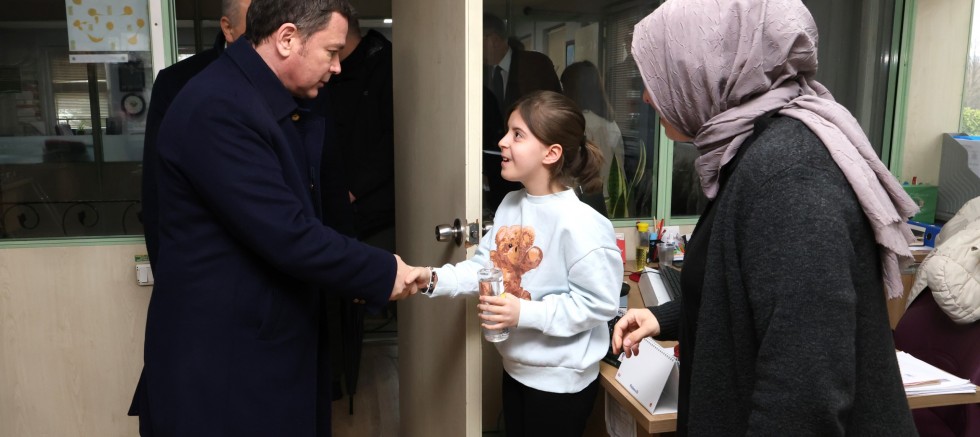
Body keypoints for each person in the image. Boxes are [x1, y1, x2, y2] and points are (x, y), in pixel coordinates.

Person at [612, 1, 919, 435]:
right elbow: (754, 299)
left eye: (657, 77)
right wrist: (668, 318)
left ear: (705, 71)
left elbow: (803, 392)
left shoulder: (789, 172)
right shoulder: (754, 152)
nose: (647, 96)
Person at [129, 1, 421, 435]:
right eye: (331, 51)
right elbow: (288, 233)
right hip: (226, 358)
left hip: (264, 339)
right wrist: (383, 271)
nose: (338, 67)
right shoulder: (219, 106)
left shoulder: (266, 97)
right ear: (287, 39)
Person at [416, 90, 624, 436]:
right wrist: (430, 278)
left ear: (551, 153)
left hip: (561, 385)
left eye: (517, 135)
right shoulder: (512, 204)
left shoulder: (582, 223)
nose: (502, 142)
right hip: (516, 370)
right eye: (507, 132)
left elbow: (599, 304)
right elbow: (485, 267)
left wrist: (522, 314)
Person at [140, 0, 251, 269]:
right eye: (256, 26)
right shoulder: (178, 81)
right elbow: (156, 187)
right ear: (228, 28)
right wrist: (164, 270)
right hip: (205, 264)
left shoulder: (302, 80)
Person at [323, 16, 394, 251]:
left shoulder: (385, 66)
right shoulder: (329, 75)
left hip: (377, 214)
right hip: (335, 210)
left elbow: (394, 140)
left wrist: (353, 189)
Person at [482, 13, 562, 213]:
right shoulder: (479, 71)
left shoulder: (535, 65)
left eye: (478, 41)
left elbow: (554, 112)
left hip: (535, 164)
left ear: (493, 40)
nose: (475, 49)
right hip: (498, 168)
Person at [560, 60, 626, 205]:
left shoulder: (578, 124)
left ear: (573, 90)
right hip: (609, 198)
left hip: (583, 199)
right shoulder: (610, 123)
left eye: (564, 87)